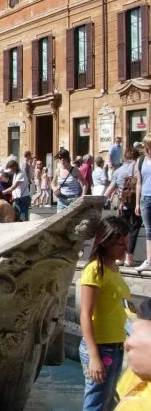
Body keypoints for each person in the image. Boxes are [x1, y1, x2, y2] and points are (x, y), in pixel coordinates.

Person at [78, 216, 131, 410]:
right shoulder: (95, 270)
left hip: (115, 346)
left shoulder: (114, 268)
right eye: (120, 243)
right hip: (100, 348)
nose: (125, 248)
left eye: (126, 242)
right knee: (96, 404)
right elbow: (85, 314)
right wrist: (94, 357)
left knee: (108, 402)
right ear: (106, 242)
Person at [106, 147, 142, 267]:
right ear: (136, 157)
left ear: (125, 157)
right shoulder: (139, 169)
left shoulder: (118, 171)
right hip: (137, 202)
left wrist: (102, 198)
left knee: (121, 231)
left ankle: (120, 257)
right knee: (134, 229)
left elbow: (111, 187)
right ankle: (129, 258)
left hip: (123, 203)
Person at [134, 133, 151, 273]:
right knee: (148, 231)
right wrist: (137, 203)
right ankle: (149, 261)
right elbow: (139, 183)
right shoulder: (140, 161)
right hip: (145, 198)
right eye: (148, 146)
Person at [52, 148, 87, 212]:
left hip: (74, 200)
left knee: (73, 221)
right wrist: (55, 189)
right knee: (60, 220)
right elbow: (52, 183)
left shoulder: (75, 170)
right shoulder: (57, 171)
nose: (62, 160)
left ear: (68, 158)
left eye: (64, 158)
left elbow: (85, 184)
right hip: (61, 200)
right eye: (60, 158)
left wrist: (83, 197)